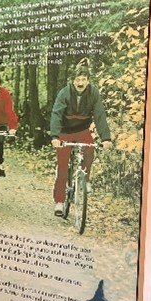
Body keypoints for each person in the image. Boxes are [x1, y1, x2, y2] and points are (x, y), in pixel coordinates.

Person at [50, 63, 112, 216]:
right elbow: (56, 114)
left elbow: (99, 115)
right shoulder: (64, 93)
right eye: (77, 79)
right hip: (65, 131)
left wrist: (106, 138)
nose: (80, 83)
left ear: (88, 81)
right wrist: (55, 136)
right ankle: (59, 200)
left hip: (82, 130)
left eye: (83, 79)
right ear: (73, 81)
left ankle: (86, 179)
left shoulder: (93, 94)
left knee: (89, 148)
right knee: (63, 166)